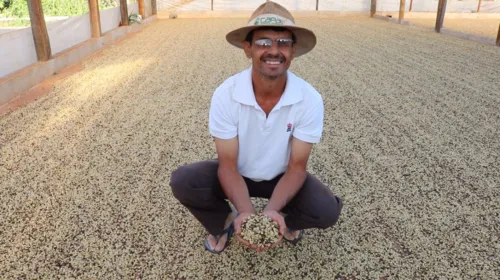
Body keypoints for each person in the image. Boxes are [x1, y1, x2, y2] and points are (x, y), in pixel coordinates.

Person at [170, 1, 342, 254]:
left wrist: (270, 211)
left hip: (282, 176)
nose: (274, 50)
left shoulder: (309, 98)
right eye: (263, 42)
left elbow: (296, 168)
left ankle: (283, 219)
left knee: (327, 211)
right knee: (185, 181)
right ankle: (224, 222)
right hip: (237, 173)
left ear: (293, 50)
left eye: (283, 42)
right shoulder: (226, 94)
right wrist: (247, 214)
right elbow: (227, 165)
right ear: (247, 49)